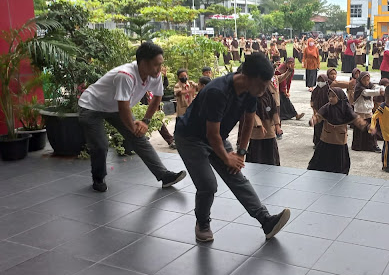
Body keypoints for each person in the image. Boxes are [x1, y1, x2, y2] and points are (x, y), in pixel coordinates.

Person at [174, 53, 291, 242]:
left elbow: (248, 120)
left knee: (236, 175)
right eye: (261, 85)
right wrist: (227, 157)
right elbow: (211, 134)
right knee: (207, 184)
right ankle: (202, 223)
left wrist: (241, 152)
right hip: (190, 138)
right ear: (247, 76)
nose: (264, 90)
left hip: (217, 137)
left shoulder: (251, 91)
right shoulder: (217, 91)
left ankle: (266, 221)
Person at [78, 42, 187, 192]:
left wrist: (145, 121)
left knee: (140, 140)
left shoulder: (154, 75)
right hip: (91, 106)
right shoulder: (126, 75)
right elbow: (123, 108)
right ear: (142, 62)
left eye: (161, 64)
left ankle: (164, 176)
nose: (160, 69)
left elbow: (157, 97)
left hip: (114, 107)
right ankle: (98, 178)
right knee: (100, 145)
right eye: (156, 65)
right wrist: (134, 128)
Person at [307, 88, 369, 174]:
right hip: (326, 139)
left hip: (339, 140)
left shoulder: (346, 108)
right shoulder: (327, 107)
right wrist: (313, 120)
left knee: (340, 164)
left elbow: (356, 119)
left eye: (333, 96)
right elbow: (318, 116)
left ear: (340, 97)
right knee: (319, 161)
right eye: (329, 96)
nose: (331, 98)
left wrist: (365, 126)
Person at [352, 72, 383, 152]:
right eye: (364, 80)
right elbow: (366, 92)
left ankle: (372, 146)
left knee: (370, 129)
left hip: (368, 111)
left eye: (368, 80)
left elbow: (375, 87)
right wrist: (379, 92)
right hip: (359, 111)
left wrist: (382, 88)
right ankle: (358, 146)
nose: (366, 82)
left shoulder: (370, 86)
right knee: (359, 130)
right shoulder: (359, 87)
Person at [310, 74, 331, 147]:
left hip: (326, 113)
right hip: (317, 112)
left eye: (322, 81)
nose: (320, 82)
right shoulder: (315, 91)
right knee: (318, 128)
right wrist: (315, 111)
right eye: (319, 81)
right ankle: (317, 142)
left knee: (325, 128)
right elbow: (312, 101)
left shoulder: (329, 91)